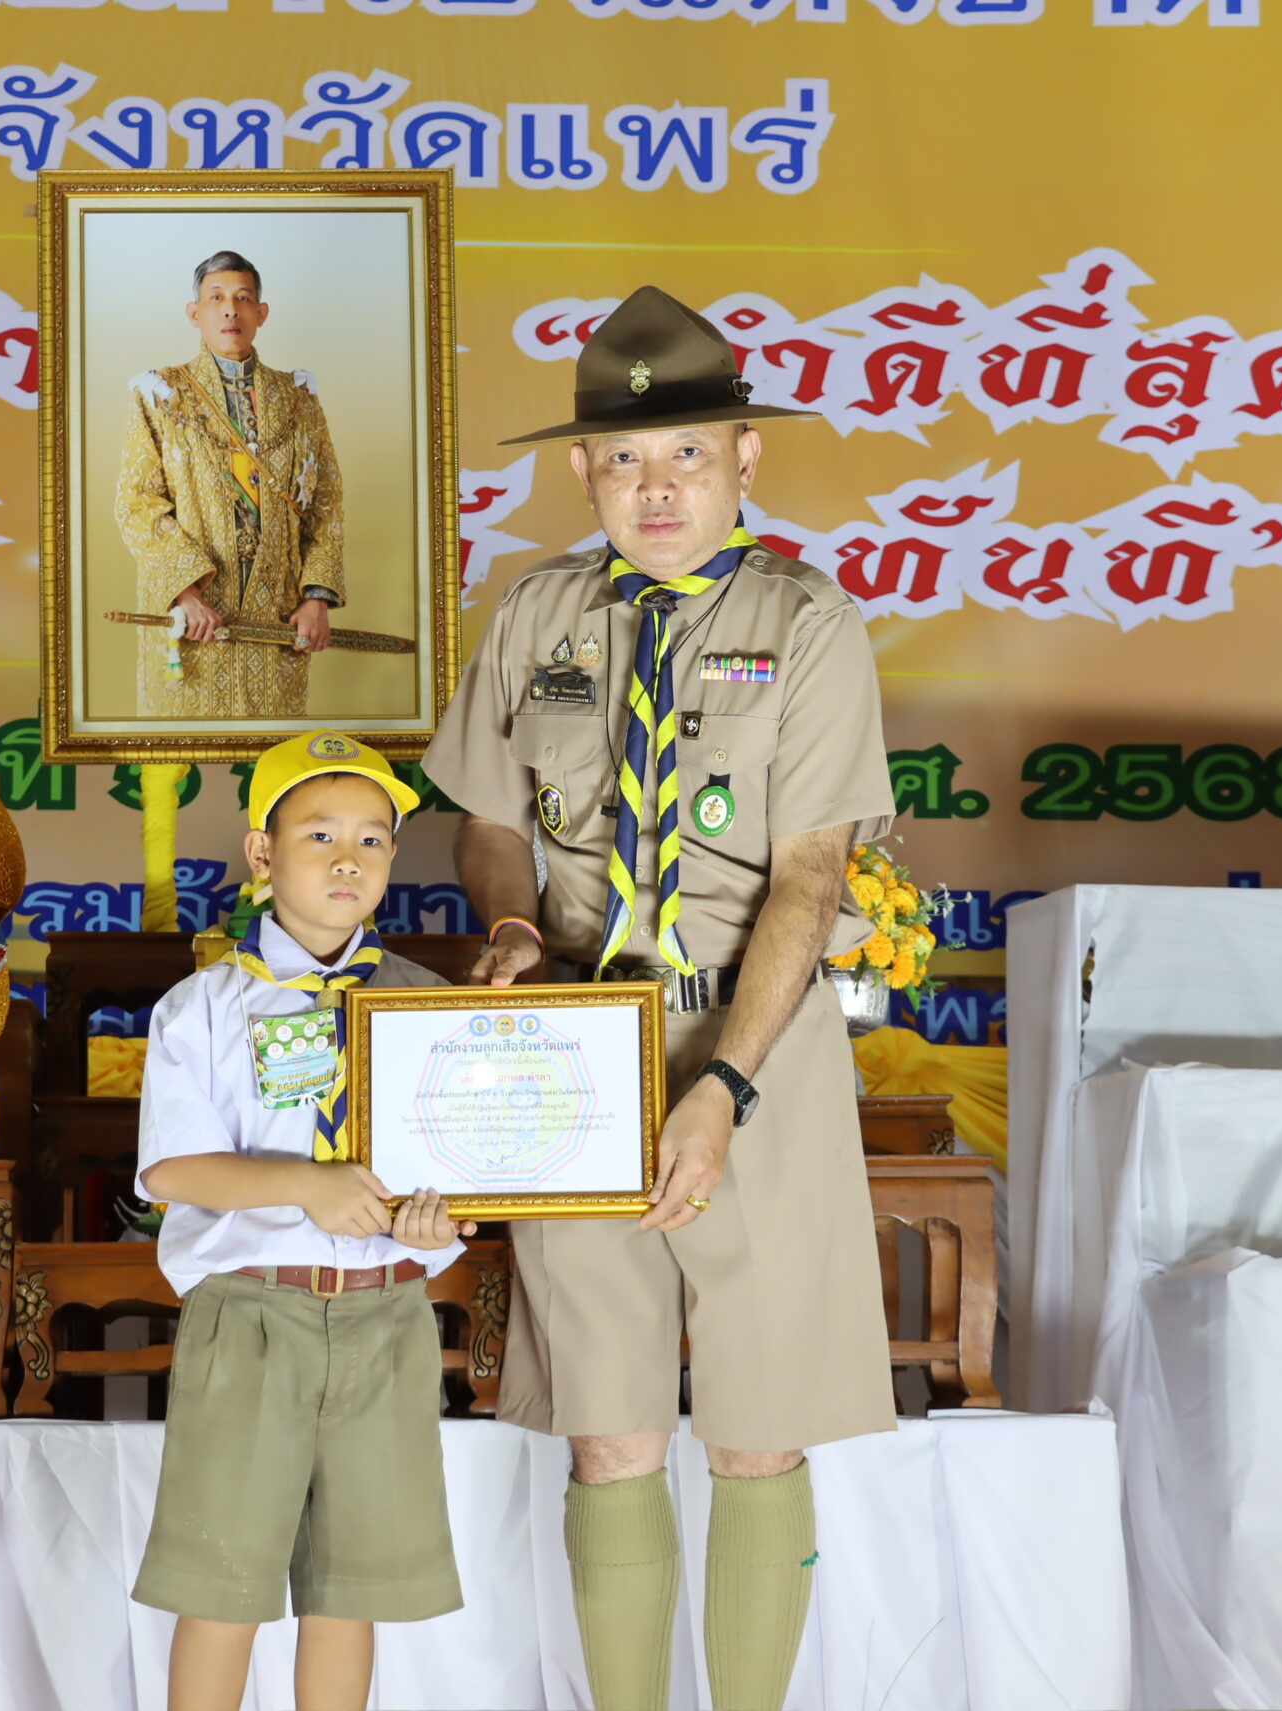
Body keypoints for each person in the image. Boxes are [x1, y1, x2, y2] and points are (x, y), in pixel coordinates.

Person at [421, 286, 898, 1711]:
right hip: (577, 1045)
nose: (657, 487)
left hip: (758, 1042)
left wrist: (725, 1085)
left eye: (688, 453)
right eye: (626, 459)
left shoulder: (810, 624)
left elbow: (809, 876)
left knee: (759, 1429)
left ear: (746, 455)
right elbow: (487, 816)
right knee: (608, 1429)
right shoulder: (537, 611)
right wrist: (511, 918)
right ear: (583, 469)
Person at [131, 728, 475, 1711]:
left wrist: (433, 1227)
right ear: (262, 852)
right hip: (251, 1316)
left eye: (372, 839)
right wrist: (304, 1185)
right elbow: (172, 1167)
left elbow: (450, 1173)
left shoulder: (425, 1004)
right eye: (319, 833)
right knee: (222, 1585)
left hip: (386, 1315)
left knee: (348, 1594)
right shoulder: (202, 1006)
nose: (346, 859)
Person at [115, 250, 347, 720]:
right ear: (194, 313)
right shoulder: (161, 395)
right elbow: (138, 503)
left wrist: (316, 598)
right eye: (216, 298)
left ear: (261, 313)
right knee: (179, 752)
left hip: (277, 614)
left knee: (274, 750)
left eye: (242, 299)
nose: (229, 310)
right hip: (194, 616)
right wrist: (186, 592)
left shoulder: (298, 400)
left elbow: (325, 504)